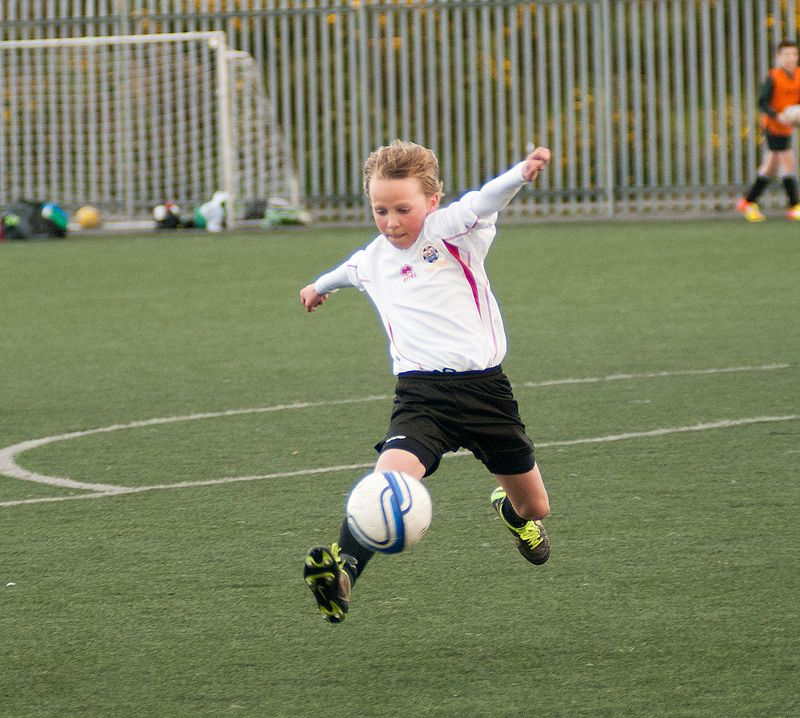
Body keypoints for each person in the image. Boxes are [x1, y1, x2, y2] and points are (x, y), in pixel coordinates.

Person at [299, 140, 552, 623]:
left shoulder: (453, 231)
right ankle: (343, 571)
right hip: (421, 396)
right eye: (380, 210)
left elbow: (484, 200)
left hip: (486, 394)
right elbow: (346, 272)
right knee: (387, 481)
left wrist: (521, 172)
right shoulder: (373, 258)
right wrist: (316, 288)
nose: (391, 221)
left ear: (431, 202)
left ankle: (515, 517)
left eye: (402, 209)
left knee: (535, 504)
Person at [738, 39, 800, 222]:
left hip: (787, 127)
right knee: (789, 162)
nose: (790, 58)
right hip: (773, 126)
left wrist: (794, 117)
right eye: (786, 54)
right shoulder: (773, 77)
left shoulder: (798, 75)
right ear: (778, 57)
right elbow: (761, 103)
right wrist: (777, 115)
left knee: (770, 167)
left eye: (793, 54)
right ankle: (794, 206)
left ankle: (748, 202)